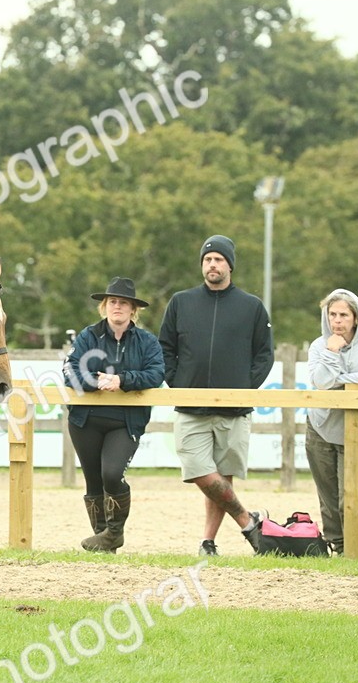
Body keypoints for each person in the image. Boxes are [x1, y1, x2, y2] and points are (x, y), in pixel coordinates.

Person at [159, 235, 274, 556]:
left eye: (219, 259)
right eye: (207, 259)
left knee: (223, 479)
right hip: (190, 408)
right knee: (199, 471)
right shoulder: (181, 302)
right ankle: (247, 521)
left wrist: (243, 388)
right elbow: (165, 348)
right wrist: (178, 383)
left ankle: (207, 542)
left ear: (230, 265)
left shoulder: (252, 306)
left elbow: (264, 355)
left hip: (234, 410)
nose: (212, 264)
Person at [64, 278, 164, 552]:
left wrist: (123, 379)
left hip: (126, 421)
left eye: (123, 303)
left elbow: (156, 374)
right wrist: (95, 381)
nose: (117, 306)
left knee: (112, 473)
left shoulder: (147, 341)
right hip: (85, 420)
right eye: (112, 302)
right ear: (105, 306)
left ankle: (114, 534)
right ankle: (103, 542)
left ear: (133, 309)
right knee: (93, 480)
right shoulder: (87, 337)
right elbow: (70, 370)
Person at [306, 289, 358, 554]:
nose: (337, 320)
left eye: (343, 315)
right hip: (320, 427)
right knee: (328, 498)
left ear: (356, 317)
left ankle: (357, 547)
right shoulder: (319, 346)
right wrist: (332, 353)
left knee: (350, 495)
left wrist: (338, 380)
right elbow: (321, 383)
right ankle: (340, 546)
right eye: (332, 314)